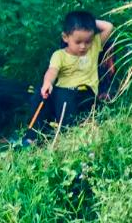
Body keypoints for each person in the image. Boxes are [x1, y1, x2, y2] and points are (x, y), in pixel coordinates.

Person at [25, 11, 114, 143]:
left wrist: (87, 22)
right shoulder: (59, 55)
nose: (83, 46)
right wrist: (47, 83)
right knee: (40, 93)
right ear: (65, 37)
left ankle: (67, 133)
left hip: (85, 95)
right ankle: (34, 135)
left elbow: (108, 26)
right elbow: (51, 71)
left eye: (87, 41)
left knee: (65, 95)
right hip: (62, 96)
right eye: (78, 42)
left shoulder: (95, 46)